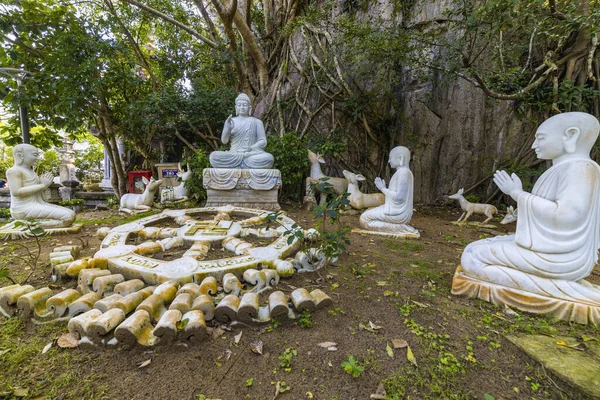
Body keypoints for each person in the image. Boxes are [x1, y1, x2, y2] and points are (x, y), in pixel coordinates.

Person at [454, 112, 600, 323]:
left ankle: (569, 292)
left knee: (472, 257)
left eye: (540, 138)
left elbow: (567, 216)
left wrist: (517, 194)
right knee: (481, 247)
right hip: (550, 248)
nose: (533, 146)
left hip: (559, 256)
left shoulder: (580, 168)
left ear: (571, 135)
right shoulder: (568, 168)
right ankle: (561, 288)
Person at [6, 144, 76, 227]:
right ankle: (29, 225)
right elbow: (16, 192)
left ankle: (32, 224)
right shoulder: (13, 171)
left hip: (36, 205)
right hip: (22, 209)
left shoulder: (30, 171)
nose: (38, 158)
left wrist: (42, 184)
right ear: (20, 156)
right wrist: (43, 185)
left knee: (71, 214)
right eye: (35, 155)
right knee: (68, 216)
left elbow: (36, 192)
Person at [359, 146, 419, 236]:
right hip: (394, 210)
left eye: (390, 158)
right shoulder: (403, 172)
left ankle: (402, 228)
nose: (389, 161)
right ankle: (399, 227)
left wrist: (383, 189)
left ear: (400, 158)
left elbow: (399, 197)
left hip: (398, 213)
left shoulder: (403, 173)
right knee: (366, 215)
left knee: (364, 220)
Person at [209, 93, 274, 169]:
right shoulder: (231, 121)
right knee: (213, 157)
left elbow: (263, 141)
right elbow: (224, 141)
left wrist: (251, 148)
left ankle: (239, 165)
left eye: (244, 105)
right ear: (236, 107)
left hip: (250, 155)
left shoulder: (257, 122)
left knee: (269, 158)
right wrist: (227, 129)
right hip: (234, 154)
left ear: (249, 108)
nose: (242, 107)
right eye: (239, 105)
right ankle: (243, 164)